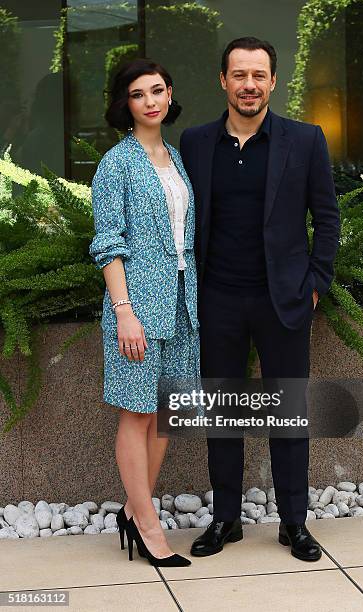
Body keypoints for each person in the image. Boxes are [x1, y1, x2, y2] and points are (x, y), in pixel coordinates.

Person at [180, 37, 340, 561]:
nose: (249, 85)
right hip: (218, 299)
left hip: (284, 301)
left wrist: (316, 282)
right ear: (222, 81)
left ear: (273, 81)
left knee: (287, 413)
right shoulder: (196, 142)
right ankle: (225, 518)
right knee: (223, 413)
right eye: (239, 75)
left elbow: (327, 218)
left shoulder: (306, 139)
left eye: (259, 75)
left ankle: (294, 522)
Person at [89, 59, 200, 567]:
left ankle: (135, 514)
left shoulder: (175, 158)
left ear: (169, 94)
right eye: (138, 94)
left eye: (158, 90)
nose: (151, 101)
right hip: (135, 306)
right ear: (125, 104)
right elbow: (108, 245)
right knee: (138, 414)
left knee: (168, 413)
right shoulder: (116, 163)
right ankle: (148, 524)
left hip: (181, 302)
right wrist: (124, 312)